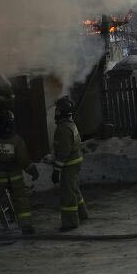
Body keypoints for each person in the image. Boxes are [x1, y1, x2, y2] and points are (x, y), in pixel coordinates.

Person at [0, 109, 38, 235]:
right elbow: (24, 160)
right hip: (14, 176)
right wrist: (33, 171)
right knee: (20, 200)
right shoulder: (16, 140)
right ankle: (26, 226)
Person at [52, 97, 88, 231]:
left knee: (68, 193)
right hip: (75, 161)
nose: (55, 112)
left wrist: (56, 170)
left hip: (69, 164)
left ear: (62, 112)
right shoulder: (70, 124)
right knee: (74, 189)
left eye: (57, 110)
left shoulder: (63, 128)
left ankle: (71, 222)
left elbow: (64, 153)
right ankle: (82, 214)